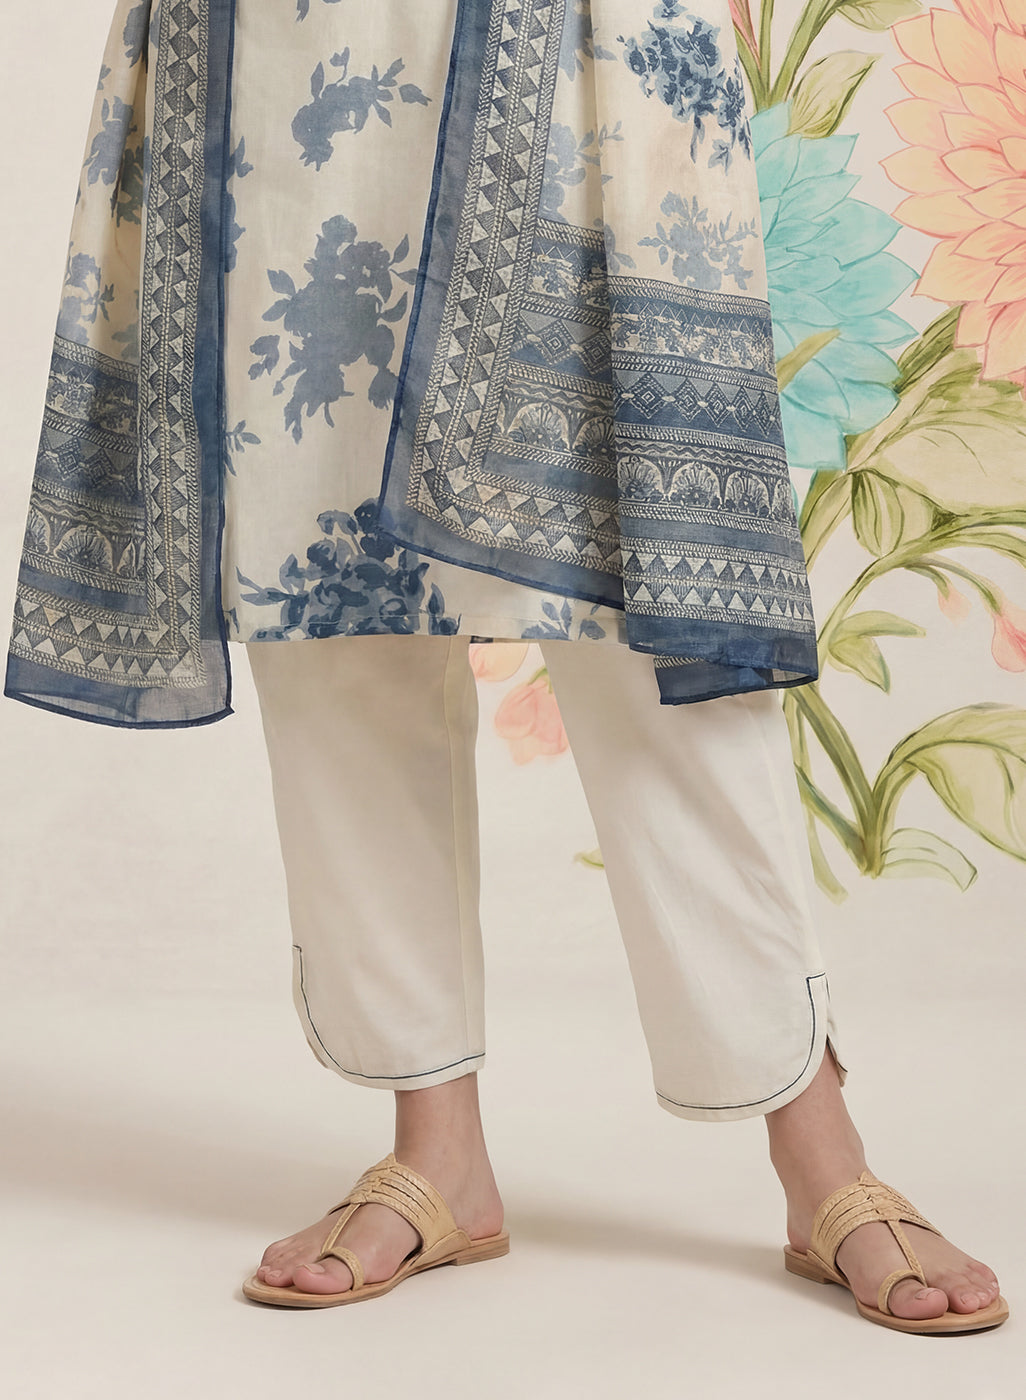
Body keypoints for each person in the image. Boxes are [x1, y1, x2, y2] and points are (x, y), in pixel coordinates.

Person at [4, 0, 1007, 1333]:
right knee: (329, 577)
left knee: (655, 598)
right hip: (291, 47)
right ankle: (437, 1156)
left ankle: (820, 1149)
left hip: (577, 33)